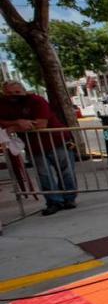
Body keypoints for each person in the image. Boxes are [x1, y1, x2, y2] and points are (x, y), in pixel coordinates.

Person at [0, 80, 78, 215]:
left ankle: (69, 198)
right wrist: (17, 123)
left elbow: (41, 124)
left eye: (17, 92)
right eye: (9, 93)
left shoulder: (36, 101)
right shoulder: (3, 104)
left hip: (57, 141)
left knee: (66, 171)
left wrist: (13, 127)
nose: (13, 95)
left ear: (23, 90)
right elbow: (1, 122)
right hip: (34, 146)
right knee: (44, 175)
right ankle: (54, 202)